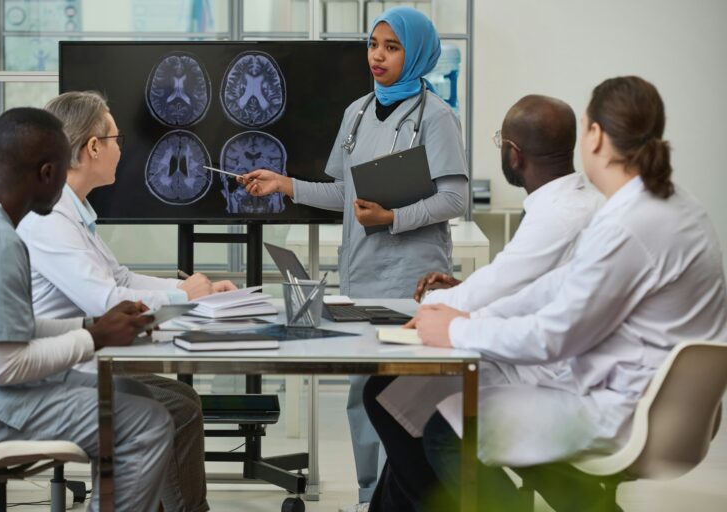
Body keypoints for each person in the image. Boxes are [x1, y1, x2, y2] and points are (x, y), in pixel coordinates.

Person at [367, 76, 727, 511]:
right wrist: (466, 321)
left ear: (594, 136)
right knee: (445, 405)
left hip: (626, 409)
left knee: (449, 428)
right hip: (652, 400)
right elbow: (556, 287)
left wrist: (459, 330)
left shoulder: (627, 225)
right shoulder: (673, 205)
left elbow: (552, 336)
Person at [240, 7, 468, 510]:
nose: (378, 56)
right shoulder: (357, 112)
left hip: (411, 276)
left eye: (392, 47)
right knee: (361, 396)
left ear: (418, 54)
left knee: (401, 399)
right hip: (361, 274)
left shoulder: (438, 117)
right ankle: (372, 496)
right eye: (373, 44)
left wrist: (393, 218)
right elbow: (345, 192)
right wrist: (286, 185)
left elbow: (455, 200)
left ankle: (401, 497)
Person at [16, 91, 231, 512]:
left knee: (183, 402)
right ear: (93, 147)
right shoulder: (48, 219)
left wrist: (192, 294)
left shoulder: (72, 211)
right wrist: (179, 296)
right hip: (56, 377)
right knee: (175, 407)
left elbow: (120, 278)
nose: (122, 150)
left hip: (81, 365)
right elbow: (105, 300)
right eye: (116, 139)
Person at [0, 107, 174, 512]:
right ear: (46, 174)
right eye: (62, 173)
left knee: (134, 395)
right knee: (146, 424)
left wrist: (86, 324)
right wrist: (95, 337)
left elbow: (5, 327)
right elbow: (8, 366)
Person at [374, 94, 604, 441]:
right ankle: (393, 500)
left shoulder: (558, 216)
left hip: (545, 370)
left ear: (514, 153)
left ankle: (439, 495)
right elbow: (526, 282)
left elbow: (503, 282)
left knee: (395, 397)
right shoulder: (579, 200)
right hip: (544, 350)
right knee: (399, 398)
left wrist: (426, 310)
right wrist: (463, 289)